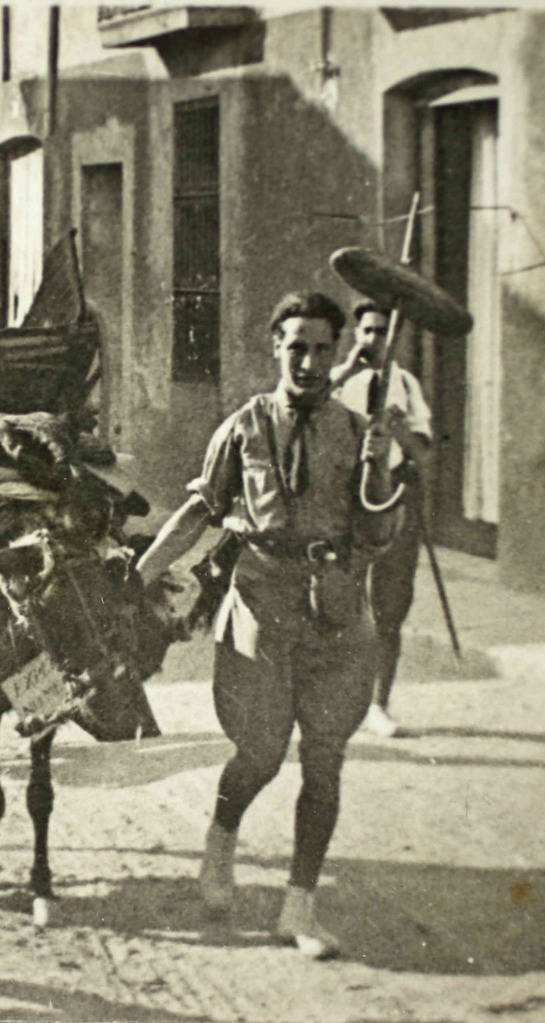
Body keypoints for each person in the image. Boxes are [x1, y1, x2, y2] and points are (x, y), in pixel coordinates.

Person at [136, 291, 399, 958]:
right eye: (296, 347)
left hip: (338, 609)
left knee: (326, 760)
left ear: (336, 353)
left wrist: (379, 463)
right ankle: (221, 839)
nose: (309, 361)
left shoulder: (356, 429)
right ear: (274, 347)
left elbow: (379, 530)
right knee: (259, 752)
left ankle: (299, 908)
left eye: (321, 349)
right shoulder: (245, 426)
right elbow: (201, 509)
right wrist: (139, 572)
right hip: (261, 600)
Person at [333, 301, 434, 738]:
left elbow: (423, 453)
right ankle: (338, 699)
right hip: (344, 506)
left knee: (389, 608)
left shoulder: (407, 386)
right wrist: (347, 368)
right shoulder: (341, 383)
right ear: (357, 334)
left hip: (392, 502)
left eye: (382, 332)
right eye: (367, 331)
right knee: (341, 607)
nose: (374, 340)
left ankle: (378, 704)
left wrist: (399, 432)